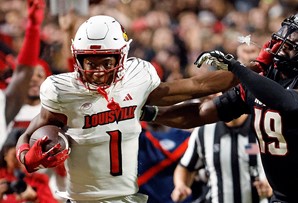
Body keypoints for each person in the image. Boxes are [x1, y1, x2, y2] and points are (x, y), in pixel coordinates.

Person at [15, 15, 238, 202]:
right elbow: (27, 135)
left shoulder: (137, 78)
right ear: (77, 59)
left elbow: (194, 86)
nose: (99, 71)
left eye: (107, 62)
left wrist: (246, 74)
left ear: (121, 57)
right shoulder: (61, 90)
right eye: (90, 63)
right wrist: (27, 156)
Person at [150, 9, 298, 203]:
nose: (288, 38)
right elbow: (201, 113)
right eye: (291, 31)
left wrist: (237, 68)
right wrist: (151, 114)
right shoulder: (267, 76)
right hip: (284, 198)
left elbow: (286, 101)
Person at [171, 115, 272, 203]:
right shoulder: (204, 131)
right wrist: (180, 185)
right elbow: (185, 167)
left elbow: (283, 169)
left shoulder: (263, 127)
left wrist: (272, 186)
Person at [0, 0, 44, 148]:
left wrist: (33, 27)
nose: (34, 80)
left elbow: (24, 71)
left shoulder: (2, 100)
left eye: (40, 76)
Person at [0, 128, 58, 203]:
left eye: (25, 157)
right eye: (15, 156)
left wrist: (35, 198)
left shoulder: (38, 180)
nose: (20, 161)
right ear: (5, 154)